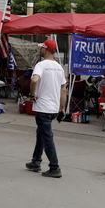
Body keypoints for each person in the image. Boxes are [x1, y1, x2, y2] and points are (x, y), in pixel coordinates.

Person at [25, 39, 67, 178]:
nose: (40, 50)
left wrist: (32, 94)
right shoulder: (59, 67)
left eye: (42, 48)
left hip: (43, 107)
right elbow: (64, 90)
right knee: (41, 134)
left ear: (47, 49)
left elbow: (34, 79)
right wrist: (62, 108)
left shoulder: (41, 65)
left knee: (47, 137)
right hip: (54, 108)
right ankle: (36, 161)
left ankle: (54, 167)